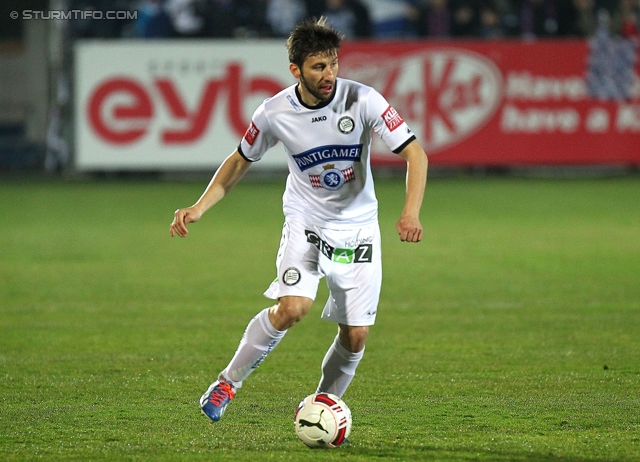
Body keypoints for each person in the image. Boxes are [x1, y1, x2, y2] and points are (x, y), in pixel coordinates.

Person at [169, 17, 428, 427]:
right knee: (292, 308)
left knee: (356, 335)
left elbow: (416, 154)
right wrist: (200, 207)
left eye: (333, 64)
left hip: (358, 229)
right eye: (318, 67)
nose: (329, 75)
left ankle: (323, 407)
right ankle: (227, 384)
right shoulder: (274, 112)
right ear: (296, 70)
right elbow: (240, 159)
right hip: (306, 221)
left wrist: (410, 212)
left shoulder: (364, 101)